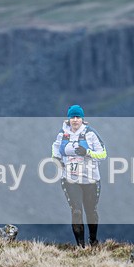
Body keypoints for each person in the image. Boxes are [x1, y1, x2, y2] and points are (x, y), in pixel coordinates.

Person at [51, 105, 107, 247]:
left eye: (78, 117)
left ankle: (93, 242)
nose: (75, 120)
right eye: (72, 117)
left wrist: (88, 152)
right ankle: (80, 247)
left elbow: (103, 155)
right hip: (70, 179)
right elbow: (55, 150)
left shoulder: (91, 134)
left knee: (90, 211)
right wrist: (58, 162)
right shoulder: (62, 134)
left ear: (82, 119)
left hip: (91, 179)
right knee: (76, 211)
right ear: (68, 119)